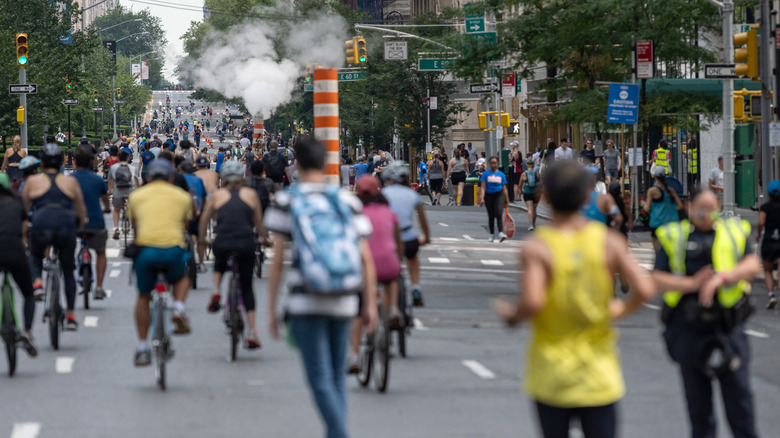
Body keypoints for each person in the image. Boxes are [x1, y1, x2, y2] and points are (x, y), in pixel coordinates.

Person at [494, 160, 655, 438]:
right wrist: (619, 309)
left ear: (545, 196)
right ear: (584, 197)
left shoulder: (539, 248)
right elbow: (645, 288)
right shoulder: (608, 243)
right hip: (599, 374)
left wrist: (511, 316)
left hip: (551, 375)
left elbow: (533, 301)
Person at [265, 138, 378, 438]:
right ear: (327, 162)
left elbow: (277, 261)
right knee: (338, 376)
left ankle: (340, 434)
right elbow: (366, 258)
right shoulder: (347, 201)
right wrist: (369, 305)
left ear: (296, 164)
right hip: (344, 298)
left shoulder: (287, 201)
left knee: (319, 378)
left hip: (306, 301)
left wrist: (272, 308)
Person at [652, 189, 760, 438]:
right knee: (699, 409)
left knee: (740, 402)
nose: (705, 213)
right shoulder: (674, 236)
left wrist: (721, 279)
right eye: (700, 207)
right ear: (690, 207)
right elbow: (657, 278)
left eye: (711, 208)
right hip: (689, 329)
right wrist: (693, 284)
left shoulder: (733, 232)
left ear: (718, 208)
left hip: (728, 326)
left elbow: (751, 264)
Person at [128, 159, 194, 366]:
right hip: (173, 250)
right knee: (184, 277)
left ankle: (142, 346)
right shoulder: (183, 196)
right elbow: (185, 226)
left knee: (143, 295)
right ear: (171, 177)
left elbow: (136, 228)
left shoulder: (136, 196)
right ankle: (179, 306)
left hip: (146, 250)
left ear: (147, 177)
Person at [22, 143, 88, 331]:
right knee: (68, 270)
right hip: (65, 225)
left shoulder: (32, 182)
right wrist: (81, 221)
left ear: (41, 162)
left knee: (34, 254)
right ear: (61, 162)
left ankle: (38, 282)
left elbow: (24, 211)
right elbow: (81, 210)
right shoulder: (70, 182)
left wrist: (25, 230)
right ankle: (71, 315)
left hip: (41, 224)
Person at [200, 160, 265, 349]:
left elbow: (204, 219)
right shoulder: (250, 194)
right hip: (246, 243)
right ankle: (252, 331)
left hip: (222, 242)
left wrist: (203, 239)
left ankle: (216, 290)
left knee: (219, 262)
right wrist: (264, 238)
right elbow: (259, 223)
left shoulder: (217, 195)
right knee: (247, 288)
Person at [348, 175, 402, 372]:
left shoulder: (356, 213)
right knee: (392, 278)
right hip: (388, 262)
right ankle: (394, 309)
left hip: (363, 266)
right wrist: (399, 259)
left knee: (357, 309)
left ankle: (354, 356)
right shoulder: (388, 212)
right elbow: (397, 241)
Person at [383, 161, 430, 307]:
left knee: (389, 276)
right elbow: (422, 219)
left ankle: (391, 310)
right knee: (413, 257)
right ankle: (416, 287)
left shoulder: (383, 195)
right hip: (409, 236)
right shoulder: (412, 195)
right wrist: (426, 237)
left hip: (390, 239)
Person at [0, 172, 37, 356]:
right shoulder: (16, 203)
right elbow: (24, 229)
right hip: (14, 250)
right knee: (29, 294)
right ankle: (28, 332)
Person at [71, 146, 111, 300]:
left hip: (75, 223)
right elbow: (106, 201)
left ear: (74, 162)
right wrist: (106, 209)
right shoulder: (97, 179)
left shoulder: (69, 180)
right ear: (90, 161)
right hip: (95, 223)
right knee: (101, 252)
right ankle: (99, 287)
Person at [644, 166, 683, 250]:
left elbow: (646, 208)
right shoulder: (671, 190)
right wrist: (670, 210)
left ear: (654, 177)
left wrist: (643, 204)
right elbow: (680, 206)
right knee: (671, 249)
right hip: (671, 223)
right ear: (665, 176)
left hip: (657, 223)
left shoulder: (652, 191)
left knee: (657, 251)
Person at [757, 180, 780, 309]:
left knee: (767, 270)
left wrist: (759, 234)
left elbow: (760, 222)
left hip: (769, 241)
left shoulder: (765, 207)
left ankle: (771, 295)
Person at [108, 150, 139, 240]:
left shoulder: (113, 167)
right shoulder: (132, 168)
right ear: (128, 158)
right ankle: (134, 228)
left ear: (118, 158)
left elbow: (110, 181)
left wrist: (110, 190)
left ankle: (116, 228)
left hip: (118, 192)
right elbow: (136, 182)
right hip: (130, 192)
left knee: (116, 210)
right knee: (133, 211)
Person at [478, 156, 509, 242]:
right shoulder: (485, 174)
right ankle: (492, 234)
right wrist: (482, 198)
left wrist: (506, 199)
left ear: (497, 164)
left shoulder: (501, 174)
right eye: (492, 163)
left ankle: (500, 232)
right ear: (489, 164)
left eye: (495, 163)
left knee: (499, 213)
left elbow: (504, 188)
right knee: (491, 215)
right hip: (488, 195)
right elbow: (483, 187)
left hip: (499, 195)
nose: (493, 165)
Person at [520, 160, 541, 231]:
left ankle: (531, 224)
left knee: (530, 208)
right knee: (534, 209)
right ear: (533, 165)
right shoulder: (537, 173)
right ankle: (534, 224)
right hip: (536, 193)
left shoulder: (524, 174)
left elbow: (520, 184)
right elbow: (541, 183)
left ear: (527, 165)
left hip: (527, 192)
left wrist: (520, 190)